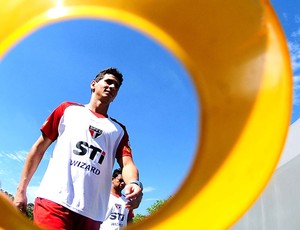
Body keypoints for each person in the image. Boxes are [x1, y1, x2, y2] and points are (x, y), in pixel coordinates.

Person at [13, 67, 143, 230]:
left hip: (92, 215)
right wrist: (21, 190)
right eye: (108, 82)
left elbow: (127, 163)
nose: (112, 87)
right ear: (93, 84)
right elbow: (38, 149)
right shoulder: (67, 110)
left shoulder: (118, 130)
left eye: (116, 86)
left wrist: (134, 183)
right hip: (54, 202)